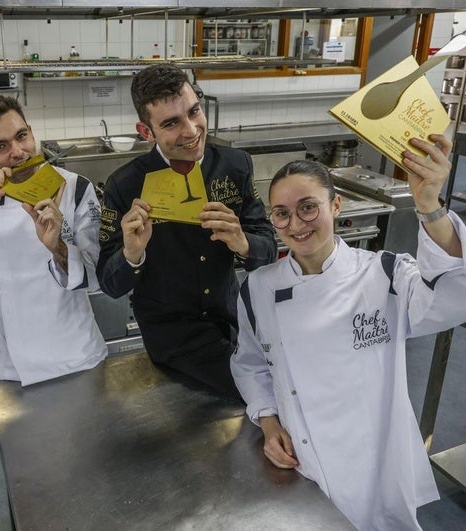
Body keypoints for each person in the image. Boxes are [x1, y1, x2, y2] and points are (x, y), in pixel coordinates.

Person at [231, 137, 465, 531]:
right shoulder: (258, 287)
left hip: (373, 458)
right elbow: (251, 366)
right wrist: (269, 426)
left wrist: (429, 207)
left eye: (308, 207)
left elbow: (453, 298)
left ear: (335, 206)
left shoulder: (385, 273)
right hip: (307, 457)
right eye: (282, 214)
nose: (296, 224)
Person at [97, 64, 276, 396]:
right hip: (172, 339)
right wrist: (132, 254)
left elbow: (267, 248)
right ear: (146, 131)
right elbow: (109, 283)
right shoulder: (124, 186)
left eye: (194, 112)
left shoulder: (235, 165)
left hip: (234, 322)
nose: (192, 130)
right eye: (171, 123)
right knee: (261, 391)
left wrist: (243, 242)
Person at [0, 96, 106, 385]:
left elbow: (99, 278)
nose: (18, 152)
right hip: (7, 364)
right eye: (0, 147)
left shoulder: (74, 188)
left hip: (74, 355)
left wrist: (57, 247)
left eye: (21, 136)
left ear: (31, 132)